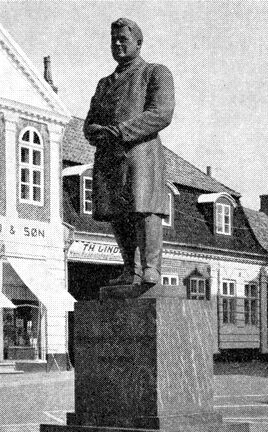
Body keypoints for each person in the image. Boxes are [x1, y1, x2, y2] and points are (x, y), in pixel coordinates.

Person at [84, 18, 175, 285]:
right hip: (109, 157)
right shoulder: (104, 84)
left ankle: (151, 267)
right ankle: (130, 268)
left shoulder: (155, 73)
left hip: (141, 154)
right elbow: (90, 124)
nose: (117, 44)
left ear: (138, 42)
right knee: (118, 213)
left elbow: (161, 113)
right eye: (114, 40)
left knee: (145, 209)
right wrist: (97, 132)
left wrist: (121, 131)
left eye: (123, 39)